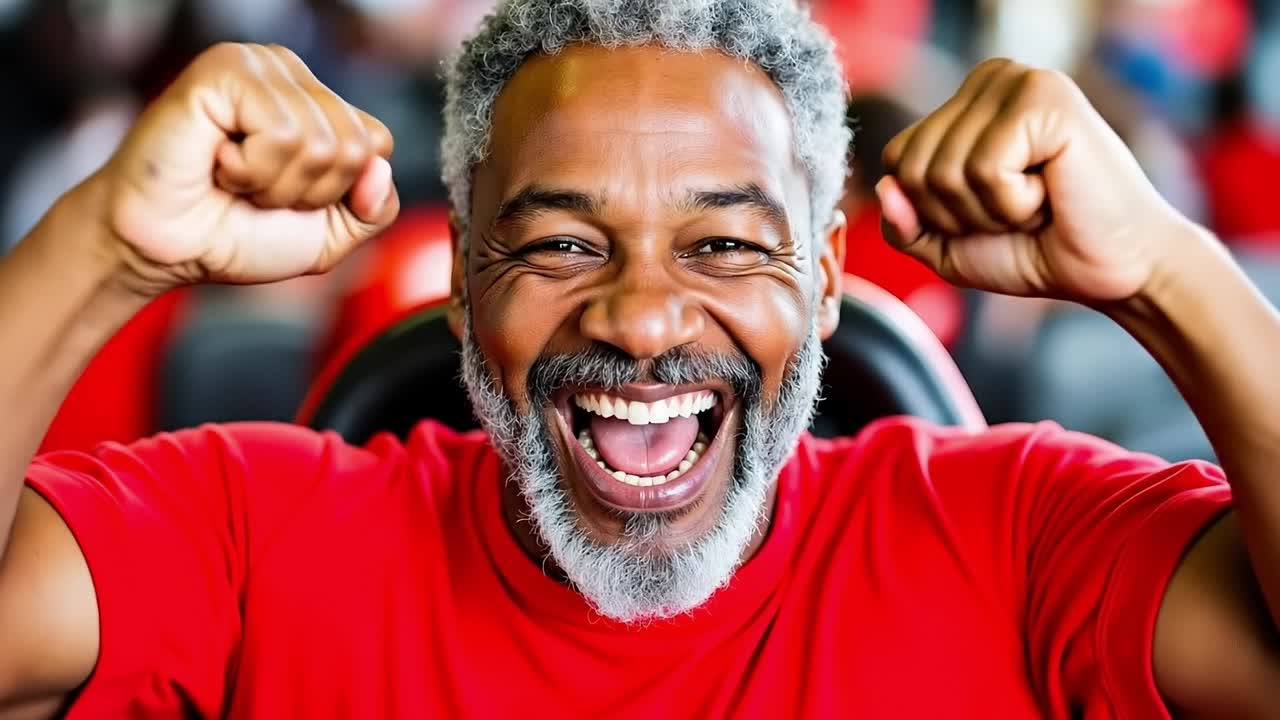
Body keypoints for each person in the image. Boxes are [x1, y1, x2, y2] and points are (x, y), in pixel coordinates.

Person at [0, 1, 1277, 717]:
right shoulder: (254, 537)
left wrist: (1166, 271)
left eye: (722, 244)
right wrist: (104, 241)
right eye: (561, 245)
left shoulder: (1015, 539)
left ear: (824, 282)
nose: (644, 317)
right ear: (462, 289)